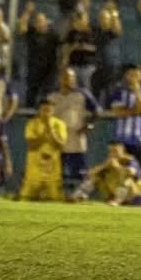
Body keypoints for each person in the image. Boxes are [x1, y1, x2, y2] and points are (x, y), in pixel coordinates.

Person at [49, 67, 98, 198]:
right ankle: (58, 193)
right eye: (65, 78)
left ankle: (80, 194)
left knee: (79, 169)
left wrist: (89, 125)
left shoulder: (82, 94)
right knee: (58, 168)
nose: (68, 81)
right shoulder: (53, 96)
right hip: (58, 139)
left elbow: (97, 110)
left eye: (70, 78)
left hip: (76, 137)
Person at [19, 97, 67, 201]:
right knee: (28, 197)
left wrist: (52, 131)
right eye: (44, 110)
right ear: (39, 110)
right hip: (35, 167)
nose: (46, 113)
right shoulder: (32, 124)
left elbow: (61, 145)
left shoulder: (59, 124)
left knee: (54, 199)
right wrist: (44, 133)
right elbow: (31, 145)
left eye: (49, 110)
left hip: (52, 167)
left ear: (53, 111)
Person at [108, 64, 141, 173]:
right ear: (126, 76)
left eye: (136, 75)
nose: (133, 78)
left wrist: (137, 93)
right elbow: (118, 112)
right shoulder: (118, 93)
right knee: (120, 171)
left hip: (139, 140)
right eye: (131, 75)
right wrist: (136, 111)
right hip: (121, 140)